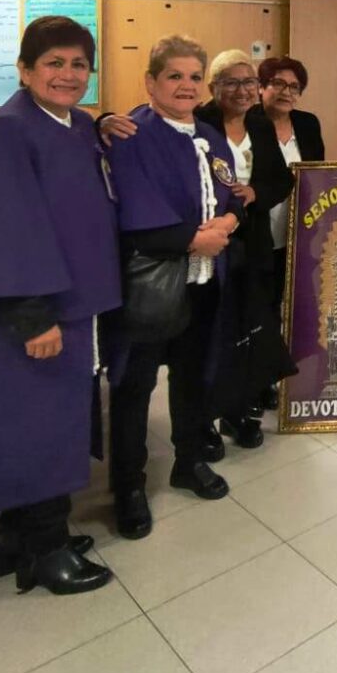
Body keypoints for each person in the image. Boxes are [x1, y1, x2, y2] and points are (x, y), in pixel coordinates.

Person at [0, 16, 118, 594]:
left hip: (62, 305)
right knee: (38, 427)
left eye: (78, 65)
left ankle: (16, 538)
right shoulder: (6, 133)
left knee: (38, 424)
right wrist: (32, 316)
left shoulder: (73, 125)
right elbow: (2, 229)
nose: (68, 75)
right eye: (54, 63)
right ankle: (48, 552)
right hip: (23, 314)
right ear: (24, 70)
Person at [102, 36, 241, 540]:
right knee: (134, 387)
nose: (186, 86)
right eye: (174, 76)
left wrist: (227, 219)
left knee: (193, 375)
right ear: (151, 82)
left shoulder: (211, 135)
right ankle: (129, 486)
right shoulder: (131, 135)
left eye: (193, 77)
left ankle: (188, 459)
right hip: (151, 286)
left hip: (204, 283)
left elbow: (232, 192)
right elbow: (133, 218)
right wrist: (194, 239)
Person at [197, 50, 296, 448]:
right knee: (210, 335)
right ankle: (203, 420)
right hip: (209, 245)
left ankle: (243, 413)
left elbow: (280, 180)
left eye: (249, 82)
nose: (242, 90)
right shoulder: (198, 122)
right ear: (213, 88)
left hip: (253, 243)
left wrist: (256, 192)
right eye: (231, 82)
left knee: (252, 330)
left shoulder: (260, 122)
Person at [248, 55, 325, 319]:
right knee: (261, 306)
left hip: (298, 230)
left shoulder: (308, 124)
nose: (286, 92)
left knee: (296, 303)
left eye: (294, 87)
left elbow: (317, 174)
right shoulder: (248, 122)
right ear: (261, 87)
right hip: (258, 229)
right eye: (278, 84)